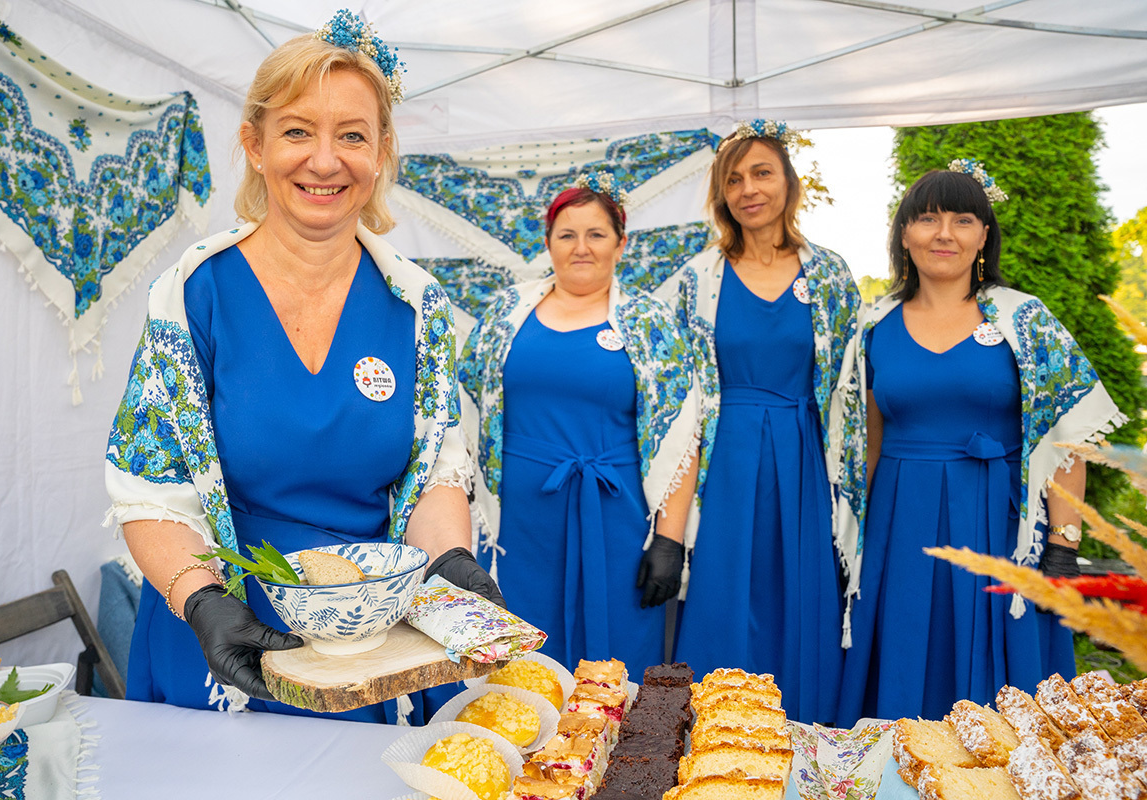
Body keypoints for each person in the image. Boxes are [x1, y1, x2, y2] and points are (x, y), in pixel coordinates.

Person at [104, 10, 501, 722]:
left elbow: (437, 471)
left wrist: (450, 561)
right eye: (297, 131)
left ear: (381, 151)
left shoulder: (416, 305)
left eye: (352, 134)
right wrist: (201, 600)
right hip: (224, 632)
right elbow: (147, 489)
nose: (325, 161)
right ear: (254, 145)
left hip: (364, 646)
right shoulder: (194, 293)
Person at [835, 161, 1125, 724]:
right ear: (903, 234)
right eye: (928, 219)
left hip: (1000, 521)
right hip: (900, 527)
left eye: (963, 219)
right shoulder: (872, 327)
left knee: (1003, 693)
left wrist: (1063, 548)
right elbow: (864, 446)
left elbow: (1063, 441)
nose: (944, 233)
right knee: (901, 663)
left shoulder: (1026, 320)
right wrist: (850, 541)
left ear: (983, 235)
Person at [458, 175, 699, 680]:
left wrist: (670, 541)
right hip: (517, 528)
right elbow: (463, 412)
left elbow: (682, 436)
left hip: (615, 523)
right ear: (548, 243)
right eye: (567, 234)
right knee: (517, 663)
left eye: (596, 234)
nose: (581, 247)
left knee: (612, 665)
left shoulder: (649, 322)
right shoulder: (506, 313)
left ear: (621, 243)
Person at [672, 120, 861, 724]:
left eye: (762, 172)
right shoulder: (695, 279)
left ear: (789, 182)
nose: (748, 188)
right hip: (723, 458)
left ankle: (806, 744)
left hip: (804, 454)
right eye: (734, 178)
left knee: (803, 601)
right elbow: (672, 392)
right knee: (721, 595)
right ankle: (715, 748)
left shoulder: (830, 274)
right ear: (721, 194)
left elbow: (854, 392)